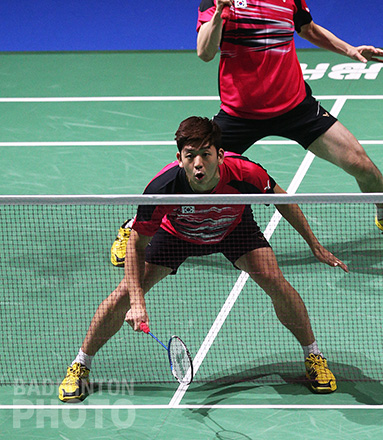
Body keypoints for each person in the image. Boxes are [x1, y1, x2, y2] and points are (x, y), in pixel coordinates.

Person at [60, 117, 348, 402]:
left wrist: (315, 245)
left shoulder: (245, 173)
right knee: (124, 293)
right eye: (190, 156)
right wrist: (137, 302)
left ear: (220, 155)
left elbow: (283, 201)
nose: (198, 163)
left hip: (233, 228)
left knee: (275, 280)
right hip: (177, 234)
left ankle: (314, 355)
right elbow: (136, 246)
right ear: (179, 159)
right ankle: (80, 365)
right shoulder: (161, 189)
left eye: (205, 155)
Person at [195, 0, 383, 246]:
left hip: (295, 107)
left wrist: (349, 49)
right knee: (192, 179)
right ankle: (136, 227)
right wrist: (219, 13)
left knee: (361, 164)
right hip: (240, 115)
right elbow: (204, 53)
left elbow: (308, 29)